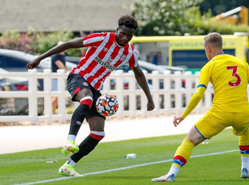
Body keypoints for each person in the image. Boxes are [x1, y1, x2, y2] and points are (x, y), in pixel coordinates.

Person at [26, 15, 155, 177]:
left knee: (98, 132)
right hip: (78, 77)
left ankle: (68, 166)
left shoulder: (129, 53)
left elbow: (140, 75)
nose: (125, 38)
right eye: (122, 33)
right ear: (117, 30)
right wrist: (40, 57)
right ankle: (70, 141)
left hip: (95, 88)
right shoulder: (101, 38)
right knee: (86, 99)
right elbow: (68, 44)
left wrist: (149, 98)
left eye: (129, 35)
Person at [151, 32, 249, 182]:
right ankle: (245, 169)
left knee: (190, 140)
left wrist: (183, 115)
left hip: (220, 114)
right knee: (244, 130)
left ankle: (171, 174)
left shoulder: (209, 66)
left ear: (208, 48)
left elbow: (198, 94)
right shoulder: (241, 62)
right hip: (243, 114)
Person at [51, 41, 69, 114]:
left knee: (59, 96)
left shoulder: (63, 55)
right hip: (55, 78)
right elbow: (60, 66)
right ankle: (51, 112)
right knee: (56, 96)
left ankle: (53, 112)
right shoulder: (55, 56)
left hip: (60, 79)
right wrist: (67, 72)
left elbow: (64, 66)